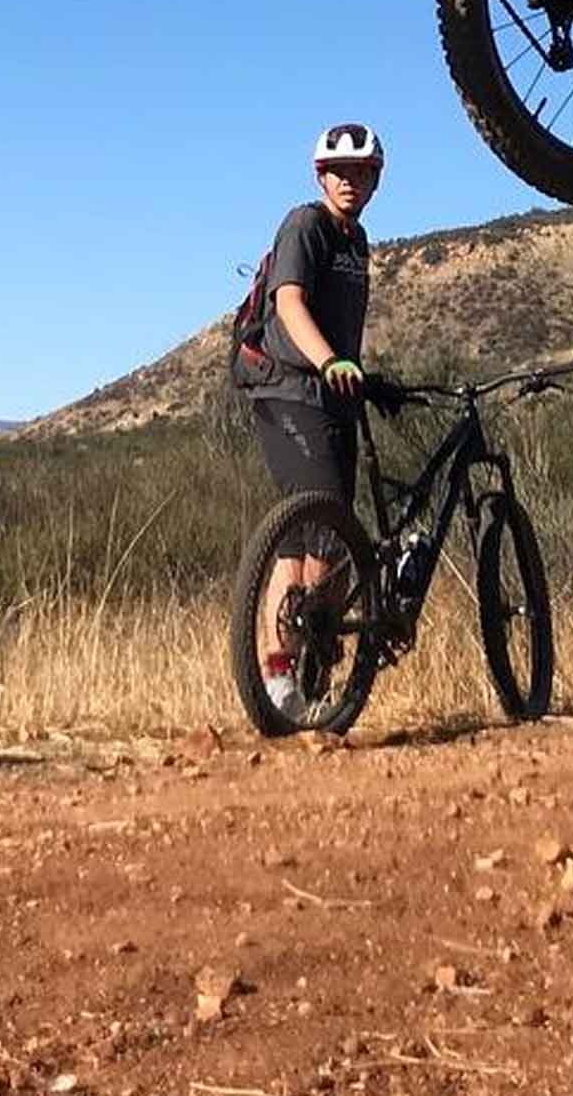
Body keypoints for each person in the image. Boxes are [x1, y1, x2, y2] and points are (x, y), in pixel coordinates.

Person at [238, 121, 384, 719]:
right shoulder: (307, 225)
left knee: (317, 533)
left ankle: (301, 678)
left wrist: (358, 375)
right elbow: (289, 301)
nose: (349, 181)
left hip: (330, 392)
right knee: (320, 519)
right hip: (286, 385)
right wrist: (329, 362)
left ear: (376, 178)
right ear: (320, 176)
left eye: (361, 172)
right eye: (338, 171)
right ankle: (283, 673)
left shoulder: (357, 241)